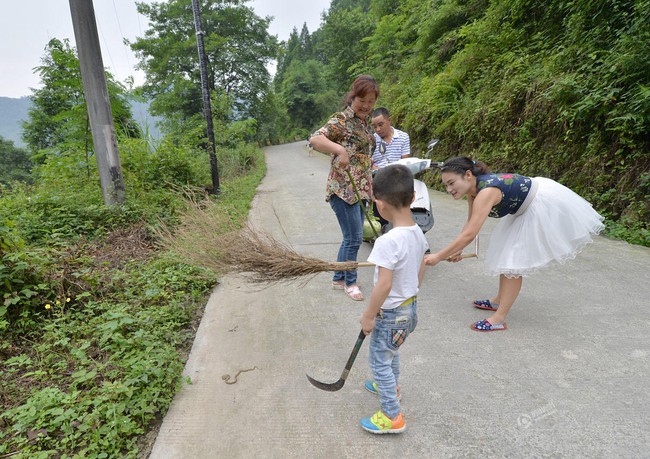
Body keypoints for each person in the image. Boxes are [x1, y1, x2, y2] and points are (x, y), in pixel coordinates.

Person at [424, 157, 605, 332]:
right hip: (520, 211)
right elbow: (470, 224)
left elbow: (470, 233)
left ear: (468, 175)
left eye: (451, 183)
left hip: (538, 206)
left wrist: (438, 257)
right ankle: (497, 301)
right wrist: (459, 249)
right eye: (445, 185)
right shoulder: (474, 191)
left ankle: (499, 319)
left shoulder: (486, 192)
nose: (449, 189)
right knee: (506, 256)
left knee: (512, 264)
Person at [359, 164, 429, 434]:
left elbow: (384, 284)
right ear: (413, 198)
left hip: (390, 314)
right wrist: (411, 290)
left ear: (378, 205)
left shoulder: (387, 241)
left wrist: (369, 315)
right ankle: (390, 385)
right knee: (391, 351)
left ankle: (391, 416)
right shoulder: (417, 233)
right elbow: (421, 266)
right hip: (409, 309)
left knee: (379, 360)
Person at [309, 75, 379, 301]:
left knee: (350, 237)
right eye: (362, 100)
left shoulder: (364, 121)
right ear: (353, 97)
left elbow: (363, 151)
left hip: (361, 189)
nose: (366, 105)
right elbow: (315, 139)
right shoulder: (341, 119)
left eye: (370, 101)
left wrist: (370, 166)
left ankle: (339, 277)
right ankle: (351, 282)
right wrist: (340, 151)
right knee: (354, 238)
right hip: (343, 190)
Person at [369, 107, 412, 230]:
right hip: (378, 177)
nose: (378, 129)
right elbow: (367, 161)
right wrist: (372, 166)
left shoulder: (403, 137)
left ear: (389, 120)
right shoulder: (372, 140)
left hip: (397, 176)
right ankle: (380, 225)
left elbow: (405, 161)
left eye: (381, 125)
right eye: (374, 126)